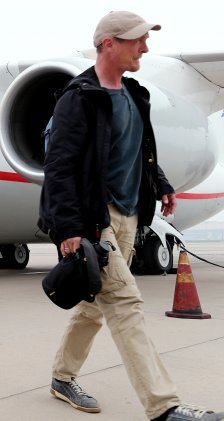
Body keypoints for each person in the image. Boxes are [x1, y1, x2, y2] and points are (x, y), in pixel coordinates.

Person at [39, 11, 223, 421]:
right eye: (137, 40)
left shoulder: (134, 94)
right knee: (124, 302)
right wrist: (69, 228)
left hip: (128, 217)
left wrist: (161, 184)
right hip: (94, 219)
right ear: (109, 43)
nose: (145, 47)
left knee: (92, 306)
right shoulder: (78, 98)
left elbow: (139, 151)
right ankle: (164, 406)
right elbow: (60, 168)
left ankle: (61, 377)